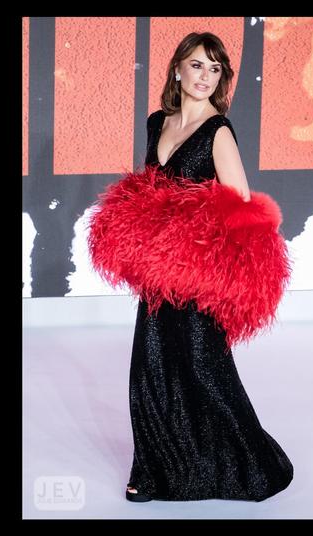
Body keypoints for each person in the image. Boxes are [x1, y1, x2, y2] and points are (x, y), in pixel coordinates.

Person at [124, 32, 294, 502]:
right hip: (159, 273)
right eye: (197, 65)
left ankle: (251, 465)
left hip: (196, 275)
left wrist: (192, 237)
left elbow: (240, 203)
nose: (205, 76)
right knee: (151, 369)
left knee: (203, 367)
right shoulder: (157, 122)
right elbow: (150, 188)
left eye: (215, 69)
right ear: (178, 69)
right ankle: (154, 471)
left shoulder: (217, 130)